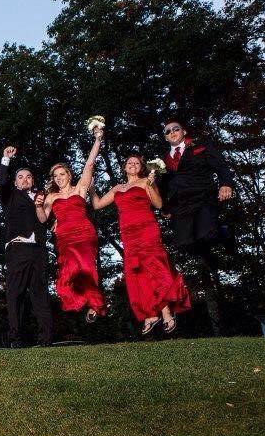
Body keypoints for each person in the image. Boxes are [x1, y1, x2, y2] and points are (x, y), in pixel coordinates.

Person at [93, 155, 191, 334]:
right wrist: (91, 189)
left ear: (141, 167)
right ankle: (151, 314)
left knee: (155, 267)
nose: (133, 164)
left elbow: (159, 204)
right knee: (138, 273)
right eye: (130, 162)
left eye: (137, 163)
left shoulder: (147, 180)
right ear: (124, 167)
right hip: (128, 234)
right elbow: (97, 204)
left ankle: (166, 312)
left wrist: (151, 184)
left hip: (146, 229)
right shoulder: (117, 188)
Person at [159, 117, 235, 334]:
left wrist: (226, 184)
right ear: (166, 137)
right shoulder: (165, 160)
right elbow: (164, 185)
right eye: (168, 132)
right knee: (183, 243)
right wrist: (164, 207)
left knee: (207, 233)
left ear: (183, 131)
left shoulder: (200, 148)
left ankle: (225, 233)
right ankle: (210, 256)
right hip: (181, 207)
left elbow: (220, 166)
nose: (172, 133)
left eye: (175, 129)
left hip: (203, 199)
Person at [37, 126, 106, 323]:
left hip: (84, 233)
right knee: (71, 272)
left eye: (62, 174)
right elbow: (43, 219)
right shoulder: (51, 196)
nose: (59, 178)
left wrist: (98, 140)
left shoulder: (80, 189)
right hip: (65, 237)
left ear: (69, 175)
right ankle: (84, 300)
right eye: (55, 176)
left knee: (86, 267)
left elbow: (90, 165)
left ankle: (94, 304)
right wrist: (38, 206)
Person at [0, 146, 52, 347]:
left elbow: (45, 220)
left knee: (40, 293)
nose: (25, 179)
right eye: (20, 177)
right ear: (15, 182)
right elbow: (2, 181)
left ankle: (45, 339)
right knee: (15, 294)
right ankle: (15, 339)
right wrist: (6, 159)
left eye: (28, 177)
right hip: (17, 249)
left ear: (33, 180)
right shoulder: (9, 195)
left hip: (38, 250)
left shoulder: (42, 198)